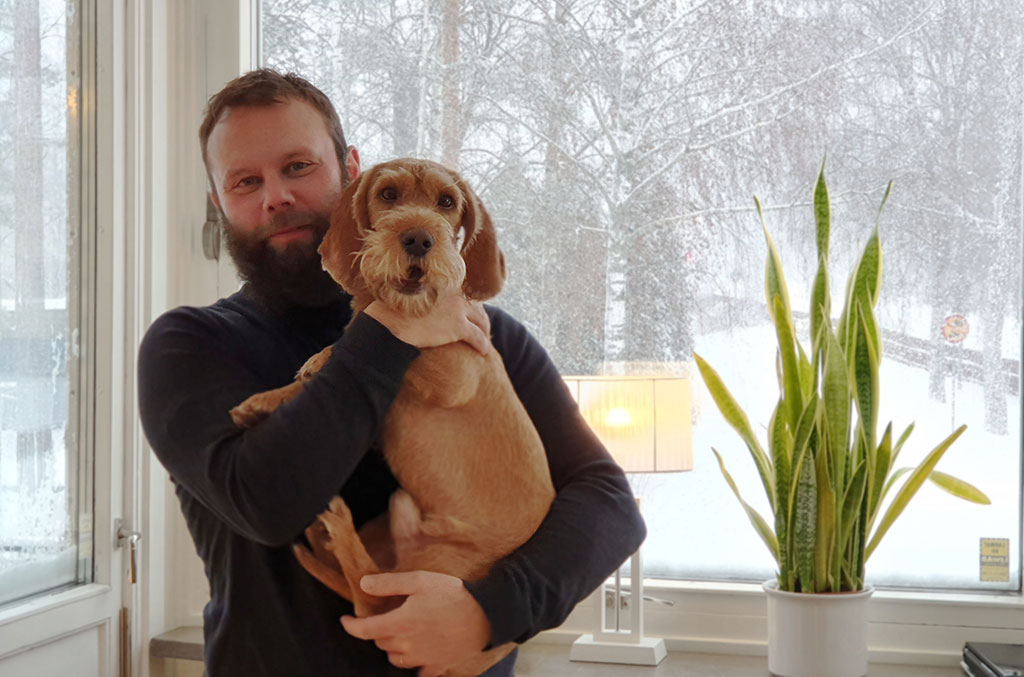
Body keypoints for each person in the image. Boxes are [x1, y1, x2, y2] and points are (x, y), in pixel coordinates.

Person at [137, 68, 646, 677]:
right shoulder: (188, 347)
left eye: (298, 167)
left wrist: (491, 611)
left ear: (351, 171)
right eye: (247, 181)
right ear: (220, 204)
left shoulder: (480, 335)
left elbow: (610, 503)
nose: (276, 196)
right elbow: (268, 503)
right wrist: (392, 330)